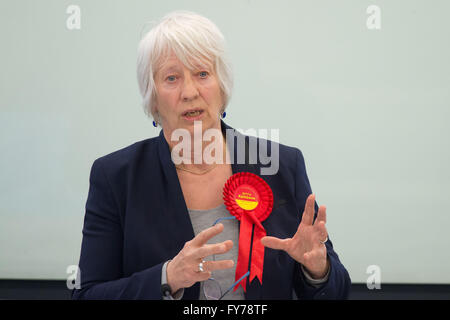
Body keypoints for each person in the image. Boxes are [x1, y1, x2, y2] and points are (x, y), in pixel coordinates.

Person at [71, 10, 351, 300]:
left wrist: (317, 270)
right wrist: (166, 277)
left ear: (222, 86)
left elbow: (336, 291)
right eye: (171, 78)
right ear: (152, 98)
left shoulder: (281, 165)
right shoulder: (116, 178)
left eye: (202, 74)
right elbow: (87, 294)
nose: (190, 91)